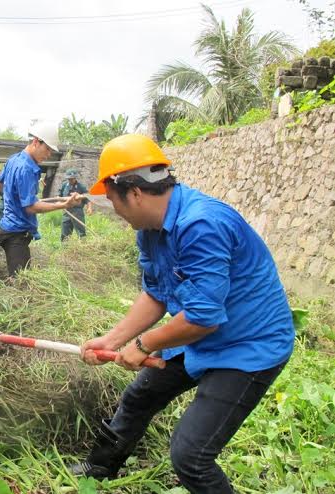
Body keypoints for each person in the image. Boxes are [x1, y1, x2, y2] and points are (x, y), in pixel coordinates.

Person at [71, 134, 295, 493]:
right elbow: (156, 294)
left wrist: (143, 345)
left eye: (113, 200)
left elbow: (203, 317)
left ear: (135, 193)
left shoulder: (202, 224)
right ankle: (99, 469)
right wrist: (113, 340)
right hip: (196, 337)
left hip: (248, 346)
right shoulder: (150, 230)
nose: (115, 209)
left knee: (191, 455)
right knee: (139, 397)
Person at [0, 122, 80, 276]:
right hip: (16, 233)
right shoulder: (26, 168)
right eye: (47, 149)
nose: (48, 154)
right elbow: (31, 207)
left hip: (9, 229)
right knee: (20, 283)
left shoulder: (13, 159)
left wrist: (12, 201)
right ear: (35, 142)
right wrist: (64, 205)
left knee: (23, 277)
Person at [59, 169, 89, 241]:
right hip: (67, 211)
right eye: (69, 179)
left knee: (80, 231)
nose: (70, 180)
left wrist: (89, 207)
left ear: (75, 178)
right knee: (65, 231)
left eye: (72, 179)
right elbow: (59, 196)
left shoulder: (81, 187)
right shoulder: (64, 185)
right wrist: (60, 203)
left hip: (77, 211)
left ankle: (83, 245)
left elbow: (87, 198)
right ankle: (65, 248)